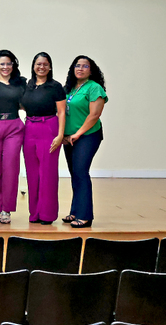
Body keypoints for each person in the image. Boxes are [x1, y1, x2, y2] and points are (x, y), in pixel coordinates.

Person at [61, 55, 107, 228]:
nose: (80, 68)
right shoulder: (70, 89)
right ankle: (75, 211)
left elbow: (94, 115)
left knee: (81, 172)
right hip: (70, 138)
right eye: (77, 65)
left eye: (84, 66)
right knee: (75, 174)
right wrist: (65, 135)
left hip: (87, 136)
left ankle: (85, 215)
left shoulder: (94, 88)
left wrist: (78, 134)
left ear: (91, 70)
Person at [21, 52, 66, 225]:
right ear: (33, 66)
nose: (42, 67)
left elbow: (61, 112)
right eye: (38, 64)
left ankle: (47, 214)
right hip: (29, 128)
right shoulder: (28, 85)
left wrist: (60, 135)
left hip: (49, 128)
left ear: (50, 67)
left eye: (45, 64)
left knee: (47, 173)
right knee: (32, 174)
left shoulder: (55, 86)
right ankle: (35, 213)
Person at [0, 50, 27, 224]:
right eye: (2, 63)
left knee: (10, 168)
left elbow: (27, 102)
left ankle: (6, 209)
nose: (5, 67)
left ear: (13, 65)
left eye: (9, 63)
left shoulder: (21, 82)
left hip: (14, 126)